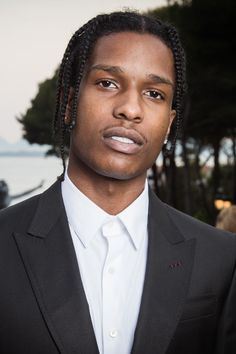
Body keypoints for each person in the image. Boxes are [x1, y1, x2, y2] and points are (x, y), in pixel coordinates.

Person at [0, 10, 235, 354]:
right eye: (108, 83)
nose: (130, 109)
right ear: (68, 103)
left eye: (154, 93)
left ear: (169, 124)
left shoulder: (223, 259)